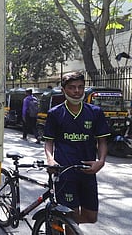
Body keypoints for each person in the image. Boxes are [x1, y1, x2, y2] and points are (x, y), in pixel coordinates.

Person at [42, 71, 109, 225]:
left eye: (80, 87)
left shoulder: (95, 112)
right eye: (72, 87)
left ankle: (56, 221)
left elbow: (103, 141)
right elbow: (49, 142)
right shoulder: (55, 113)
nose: (77, 91)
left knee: (91, 218)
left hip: (88, 172)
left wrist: (101, 161)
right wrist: (50, 160)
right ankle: (60, 223)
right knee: (71, 217)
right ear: (63, 90)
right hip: (65, 173)